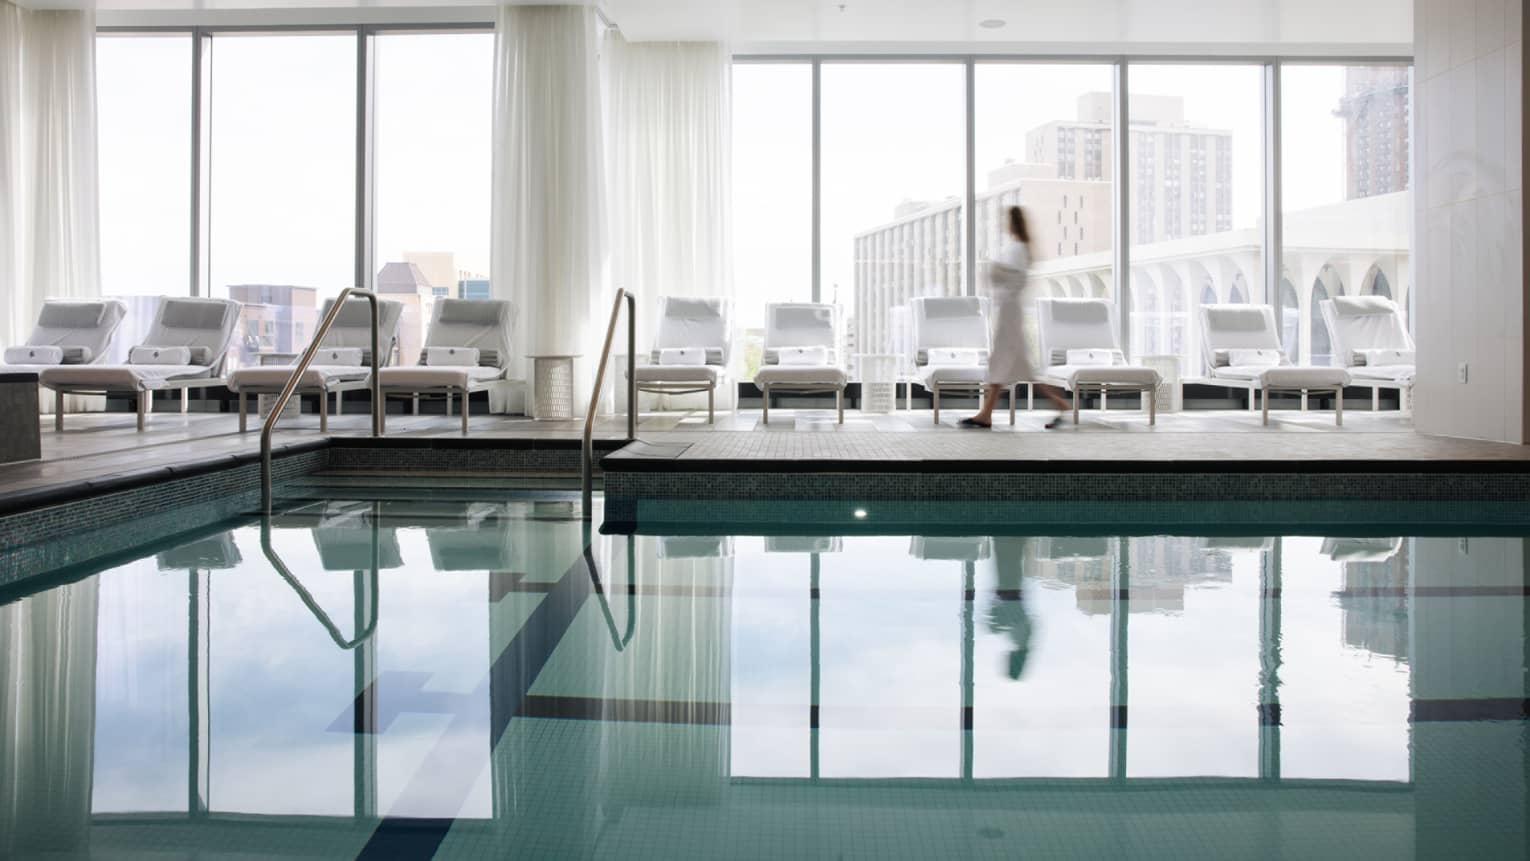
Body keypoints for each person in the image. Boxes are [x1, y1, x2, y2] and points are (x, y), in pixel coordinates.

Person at [960, 205, 1070, 429]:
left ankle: (986, 414)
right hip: (1010, 310)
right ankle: (1057, 402)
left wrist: (995, 271)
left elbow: (1015, 280)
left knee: (1000, 362)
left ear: (1013, 223)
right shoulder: (1019, 248)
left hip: (1010, 312)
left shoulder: (1018, 249)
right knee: (1015, 365)